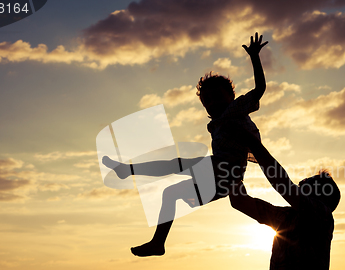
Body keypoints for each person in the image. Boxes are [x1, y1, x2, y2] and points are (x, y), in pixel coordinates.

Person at [102, 32, 268, 257]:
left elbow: (259, 89)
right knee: (171, 192)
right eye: (207, 101)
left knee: (176, 164)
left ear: (231, 96)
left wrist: (255, 57)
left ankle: (126, 170)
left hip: (225, 172)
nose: (212, 103)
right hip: (224, 176)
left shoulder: (235, 109)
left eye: (217, 96)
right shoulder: (217, 122)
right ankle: (158, 242)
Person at [228, 126, 341, 270]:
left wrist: (254, 145)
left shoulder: (322, 215)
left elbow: (283, 185)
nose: (301, 183)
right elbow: (239, 201)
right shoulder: (284, 218)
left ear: (321, 193)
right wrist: (233, 167)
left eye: (307, 182)